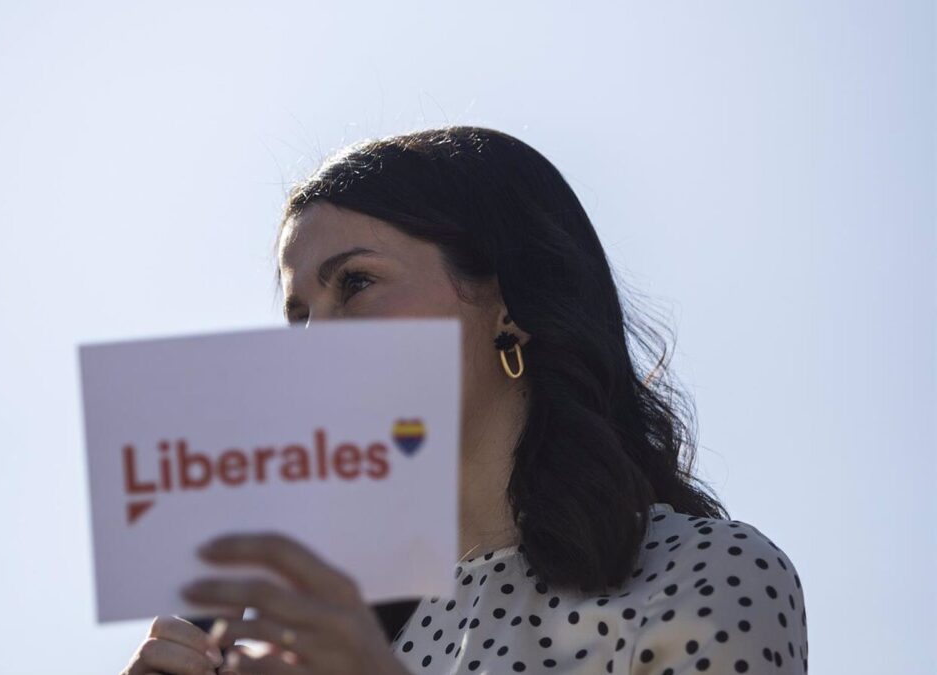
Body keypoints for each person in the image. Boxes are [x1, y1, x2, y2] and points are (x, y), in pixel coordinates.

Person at [119, 126, 808, 674]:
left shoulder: (707, 571)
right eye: (298, 315)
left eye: (356, 283)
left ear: (508, 303)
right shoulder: (311, 647)